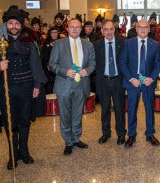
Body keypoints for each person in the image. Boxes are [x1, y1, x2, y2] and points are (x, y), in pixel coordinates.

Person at [0, 6, 46, 170]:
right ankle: (13, 154)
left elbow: (36, 65)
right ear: (6, 25)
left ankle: (24, 152)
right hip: (7, 88)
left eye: (16, 23)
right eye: (10, 23)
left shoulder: (29, 43)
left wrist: (37, 85)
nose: (14, 26)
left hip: (27, 88)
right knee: (10, 123)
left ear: (21, 25)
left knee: (24, 122)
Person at [48, 18, 96, 156]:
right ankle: (68, 142)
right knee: (64, 115)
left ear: (81, 29)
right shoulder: (58, 44)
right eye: (72, 27)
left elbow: (93, 63)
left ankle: (76, 138)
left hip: (81, 84)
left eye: (77, 27)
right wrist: (65, 71)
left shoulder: (88, 45)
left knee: (77, 113)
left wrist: (86, 71)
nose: (75, 29)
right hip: (64, 84)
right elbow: (51, 65)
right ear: (67, 29)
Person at [119, 19, 160, 148]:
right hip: (133, 82)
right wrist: (131, 79)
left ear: (149, 29)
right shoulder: (128, 43)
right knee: (131, 109)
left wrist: (152, 78)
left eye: (145, 27)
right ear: (135, 29)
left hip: (148, 81)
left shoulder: (155, 44)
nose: (143, 29)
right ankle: (132, 134)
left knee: (149, 108)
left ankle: (150, 134)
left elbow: (158, 64)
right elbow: (122, 63)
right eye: (140, 27)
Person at [94, 19, 126, 145]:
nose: (109, 32)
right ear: (102, 30)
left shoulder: (123, 43)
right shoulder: (96, 44)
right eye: (106, 29)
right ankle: (106, 133)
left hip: (118, 80)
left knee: (119, 109)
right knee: (105, 109)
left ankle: (121, 134)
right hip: (103, 81)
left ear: (115, 29)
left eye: (111, 29)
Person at [41, 27, 59, 94]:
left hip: (59, 68)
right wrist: (47, 65)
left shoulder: (61, 42)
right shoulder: (46, 43)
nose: (54, 34)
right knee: (50, 87)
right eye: (52, 32)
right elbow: (44, 57)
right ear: (50, 34)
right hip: (49, 69)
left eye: (56, 32)